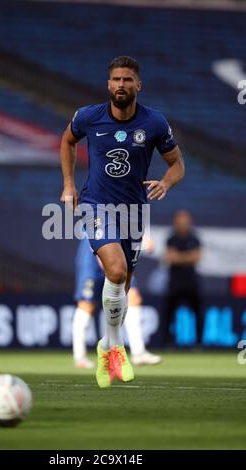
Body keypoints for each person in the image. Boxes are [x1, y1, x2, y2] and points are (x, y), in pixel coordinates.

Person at [60, 56, 184, 388]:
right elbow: (68, 141)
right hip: (96, 206)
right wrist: (69, 184)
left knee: (122, 289)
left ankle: (108, 346)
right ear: (108, 84)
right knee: (115, 272)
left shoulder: (154, 123)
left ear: (138, 86)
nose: (121, 85)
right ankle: (113, 347)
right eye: (115, 79)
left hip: (133, 212)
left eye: (127, 80)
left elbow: (177, 164)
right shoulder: (89, 116)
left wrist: (166, 182)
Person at [73, 237, 161, 369]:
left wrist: (143, 239)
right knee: (87, 305)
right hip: (93, 251)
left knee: (133, 297)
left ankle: (138, 352)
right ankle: (79, 355)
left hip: (117, 248)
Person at [163, 210, 202, 347]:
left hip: (191, 282)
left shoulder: (194, 238)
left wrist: (179, 257)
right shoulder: (171, 238)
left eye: (185, 221)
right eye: (180, 221)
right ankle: (167, 342)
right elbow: (170, 257)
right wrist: (187, 257)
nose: (183, 224)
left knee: (197, 312)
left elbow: (197, 257)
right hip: (175, 282)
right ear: (176, 222)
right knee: (169, 313)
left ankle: (198, 344)